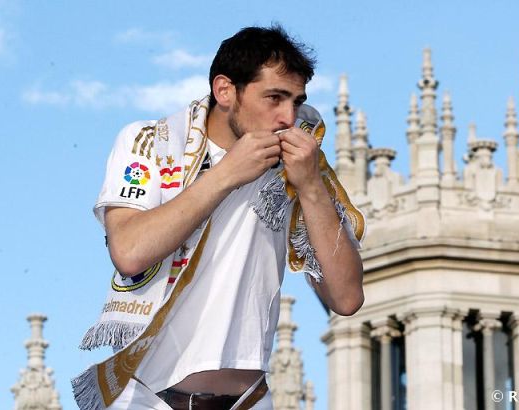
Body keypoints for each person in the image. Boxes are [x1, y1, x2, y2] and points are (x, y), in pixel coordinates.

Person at [73, 25, 365, 410]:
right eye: (274, 98)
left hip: (250, 399)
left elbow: (346, 297)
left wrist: (311, 187)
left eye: (296, 102)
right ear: (225, 90)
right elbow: (128, 252)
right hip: (147, 399)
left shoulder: (300, 166)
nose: (287, 117)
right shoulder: (150, 142)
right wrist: (227, 174)